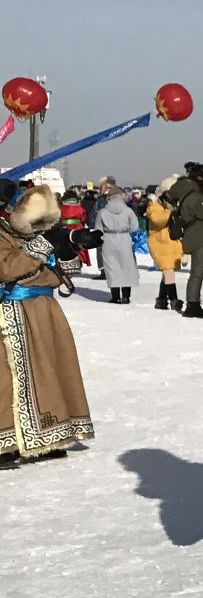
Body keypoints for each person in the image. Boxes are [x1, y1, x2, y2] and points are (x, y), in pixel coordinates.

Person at [0, 182, 94, 464]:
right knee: (9, 379)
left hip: (43, 312)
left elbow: (60, 273)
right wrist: (44, 247)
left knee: (49, 371)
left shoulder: (25, 235)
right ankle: (6, 442)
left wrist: (69, 245)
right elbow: (9, 269)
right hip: (12, 313)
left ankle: (49, 434)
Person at [170, 163, 203, 318]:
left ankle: (193, 303)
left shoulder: (188, 192)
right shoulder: (193, 195)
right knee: (198, 272)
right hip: (199, 236)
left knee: (198, 272)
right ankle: (193, 304)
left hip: (195, 234)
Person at [95, 184, 140, 303]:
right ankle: (126, 296)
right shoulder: (128, 211)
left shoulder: (102, 212)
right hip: (124, 239)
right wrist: (125, 229)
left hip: (108, 240)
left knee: (112, 268)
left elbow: (98, 229)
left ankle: (115, 297)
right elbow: (135, 227)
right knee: (126, 267)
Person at [146, 176, 184, 311]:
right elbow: (158, 221)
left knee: (167, 274)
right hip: (160, 244)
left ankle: (161, 300)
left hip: (171, 244)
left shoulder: (172, 206)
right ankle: (174, 300)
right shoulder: (154, 206)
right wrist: (169, 210)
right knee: (169, 273)